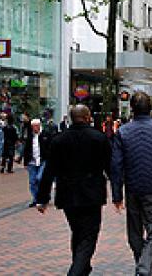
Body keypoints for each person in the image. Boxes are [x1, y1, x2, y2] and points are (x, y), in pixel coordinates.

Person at [36, 105, 111, 276]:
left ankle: (82, 268)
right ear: (87, 117)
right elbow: (109, 166)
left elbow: (49, 171)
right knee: (89, 235)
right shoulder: (98, 138)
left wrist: (43, 197)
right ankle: (77, 270)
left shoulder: (59, 140)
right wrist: (118, 192)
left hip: (67, 193)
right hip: (92, 193)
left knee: (77, 232)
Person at [111, 92, 152, 276]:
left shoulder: (123, 132)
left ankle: (142, 264)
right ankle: (144, 268)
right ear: (150, 108)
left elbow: (116, 166)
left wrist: (117, 194)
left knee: (134, 231)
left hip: (133, 187)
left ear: (132, 108)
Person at [24, 118, 53, 207]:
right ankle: (36, 199)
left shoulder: (46, 134)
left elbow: (51, 147)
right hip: (32, 161)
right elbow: (26, 149)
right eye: (33, 126)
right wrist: (25, 162)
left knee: (40, 178)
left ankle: (44, 196)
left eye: (36, 126)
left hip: (43, 160)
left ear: (40, 125)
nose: (35, 128)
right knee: (32, 181)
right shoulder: (30, 136)